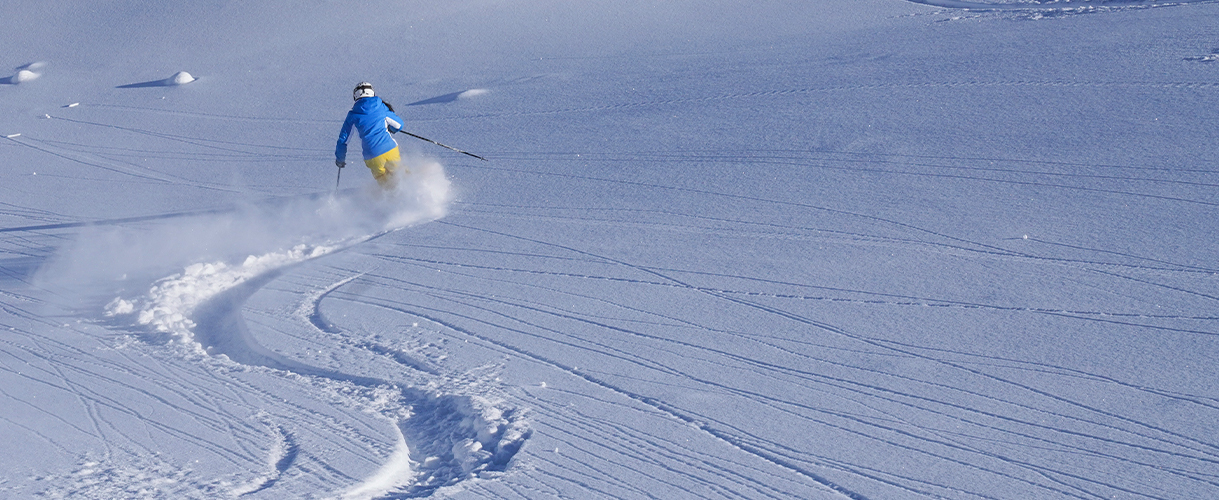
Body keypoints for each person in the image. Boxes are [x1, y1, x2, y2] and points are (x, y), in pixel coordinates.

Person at [335, 82, 408, 188]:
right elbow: (399, 125)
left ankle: (391, 199)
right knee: (400, 173)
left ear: (355, 96)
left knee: (385, 182)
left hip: (372, 156)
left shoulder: (352, 115)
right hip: (390, 149)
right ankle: (414, 189)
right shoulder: (381, 107)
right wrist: (390, 128)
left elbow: (343, 140)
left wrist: (340, 159)